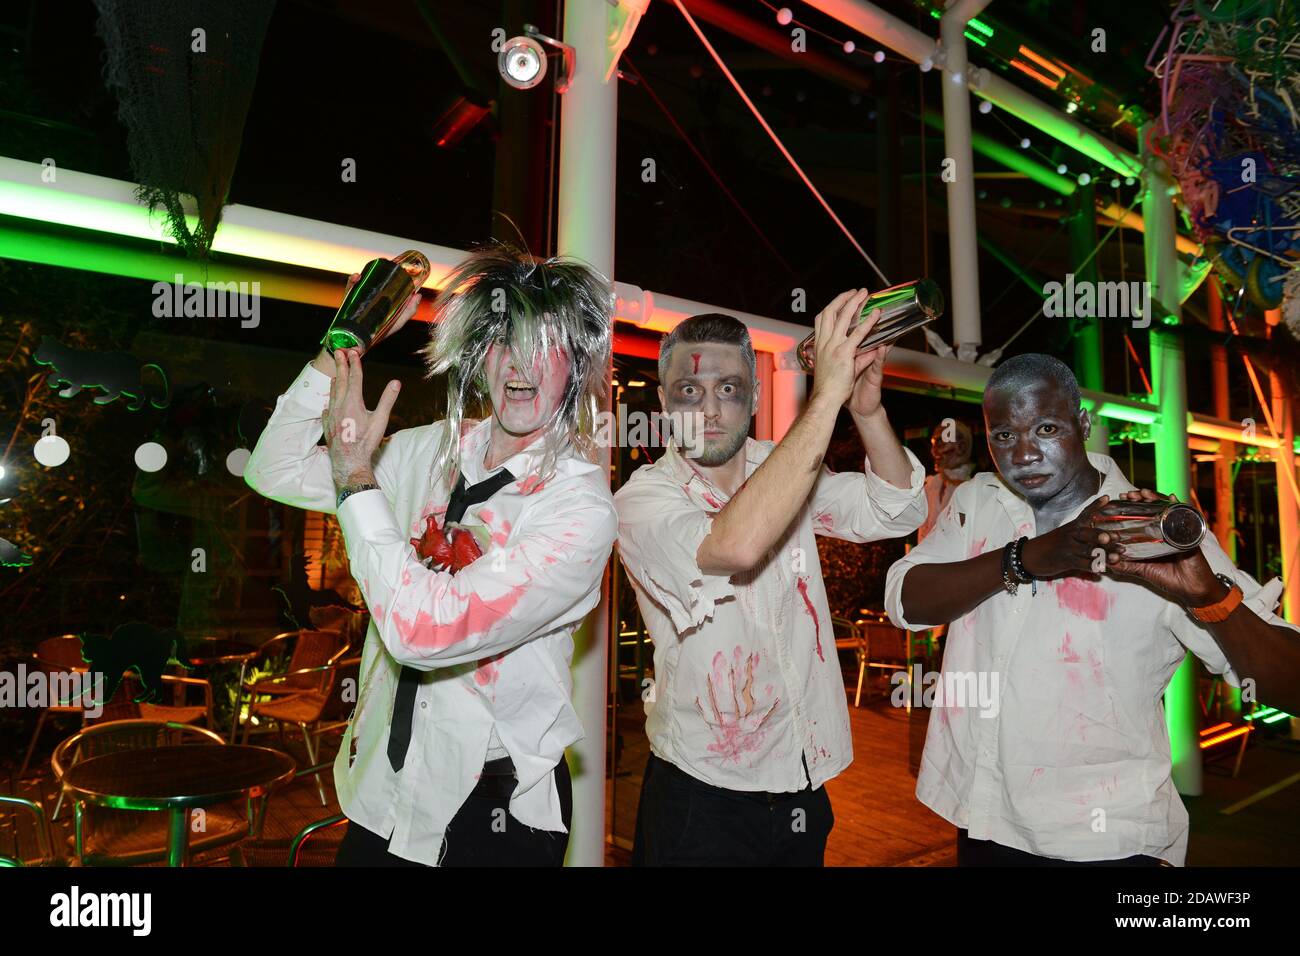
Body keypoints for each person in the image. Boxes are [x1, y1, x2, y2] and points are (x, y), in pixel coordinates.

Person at [243, 242, 617, 866]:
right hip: (382, 790)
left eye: (543, 345)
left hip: (495, 808)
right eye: (504, 340)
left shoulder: (577, 511)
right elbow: (272, 469)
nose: (519, 364)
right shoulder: (421, 452)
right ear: (481, 355)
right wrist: (343, 346)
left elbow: (425, 630)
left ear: (574, 366)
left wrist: (357, 478)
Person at [884, 352, 1300, 866]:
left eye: (1047, 427)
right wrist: (1027, 559)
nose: (1025, 454)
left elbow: (1290, 684)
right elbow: (904, 599)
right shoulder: (980, 501)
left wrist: (1210, 599)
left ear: (1083, 424)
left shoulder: (1150, 528)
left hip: (1105, 844)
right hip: (983, 821)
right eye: (1004, 436)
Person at [615, 290, 928, 866]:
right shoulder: (642, 500)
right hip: (701, 793)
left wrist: (865, 412)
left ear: (754, 395)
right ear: (663, 403)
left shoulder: (779, 467)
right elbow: (733, 545)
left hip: (800, 780)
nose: (708, 411)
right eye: (690, 392)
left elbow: (898, 509)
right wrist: (827, 394)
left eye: (728, 390)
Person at [917, 418, 974, 543]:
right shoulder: (929, 486)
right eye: (933, 445)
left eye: (940, 444)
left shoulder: (972, 490)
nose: (934, 452)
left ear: (961, 447)